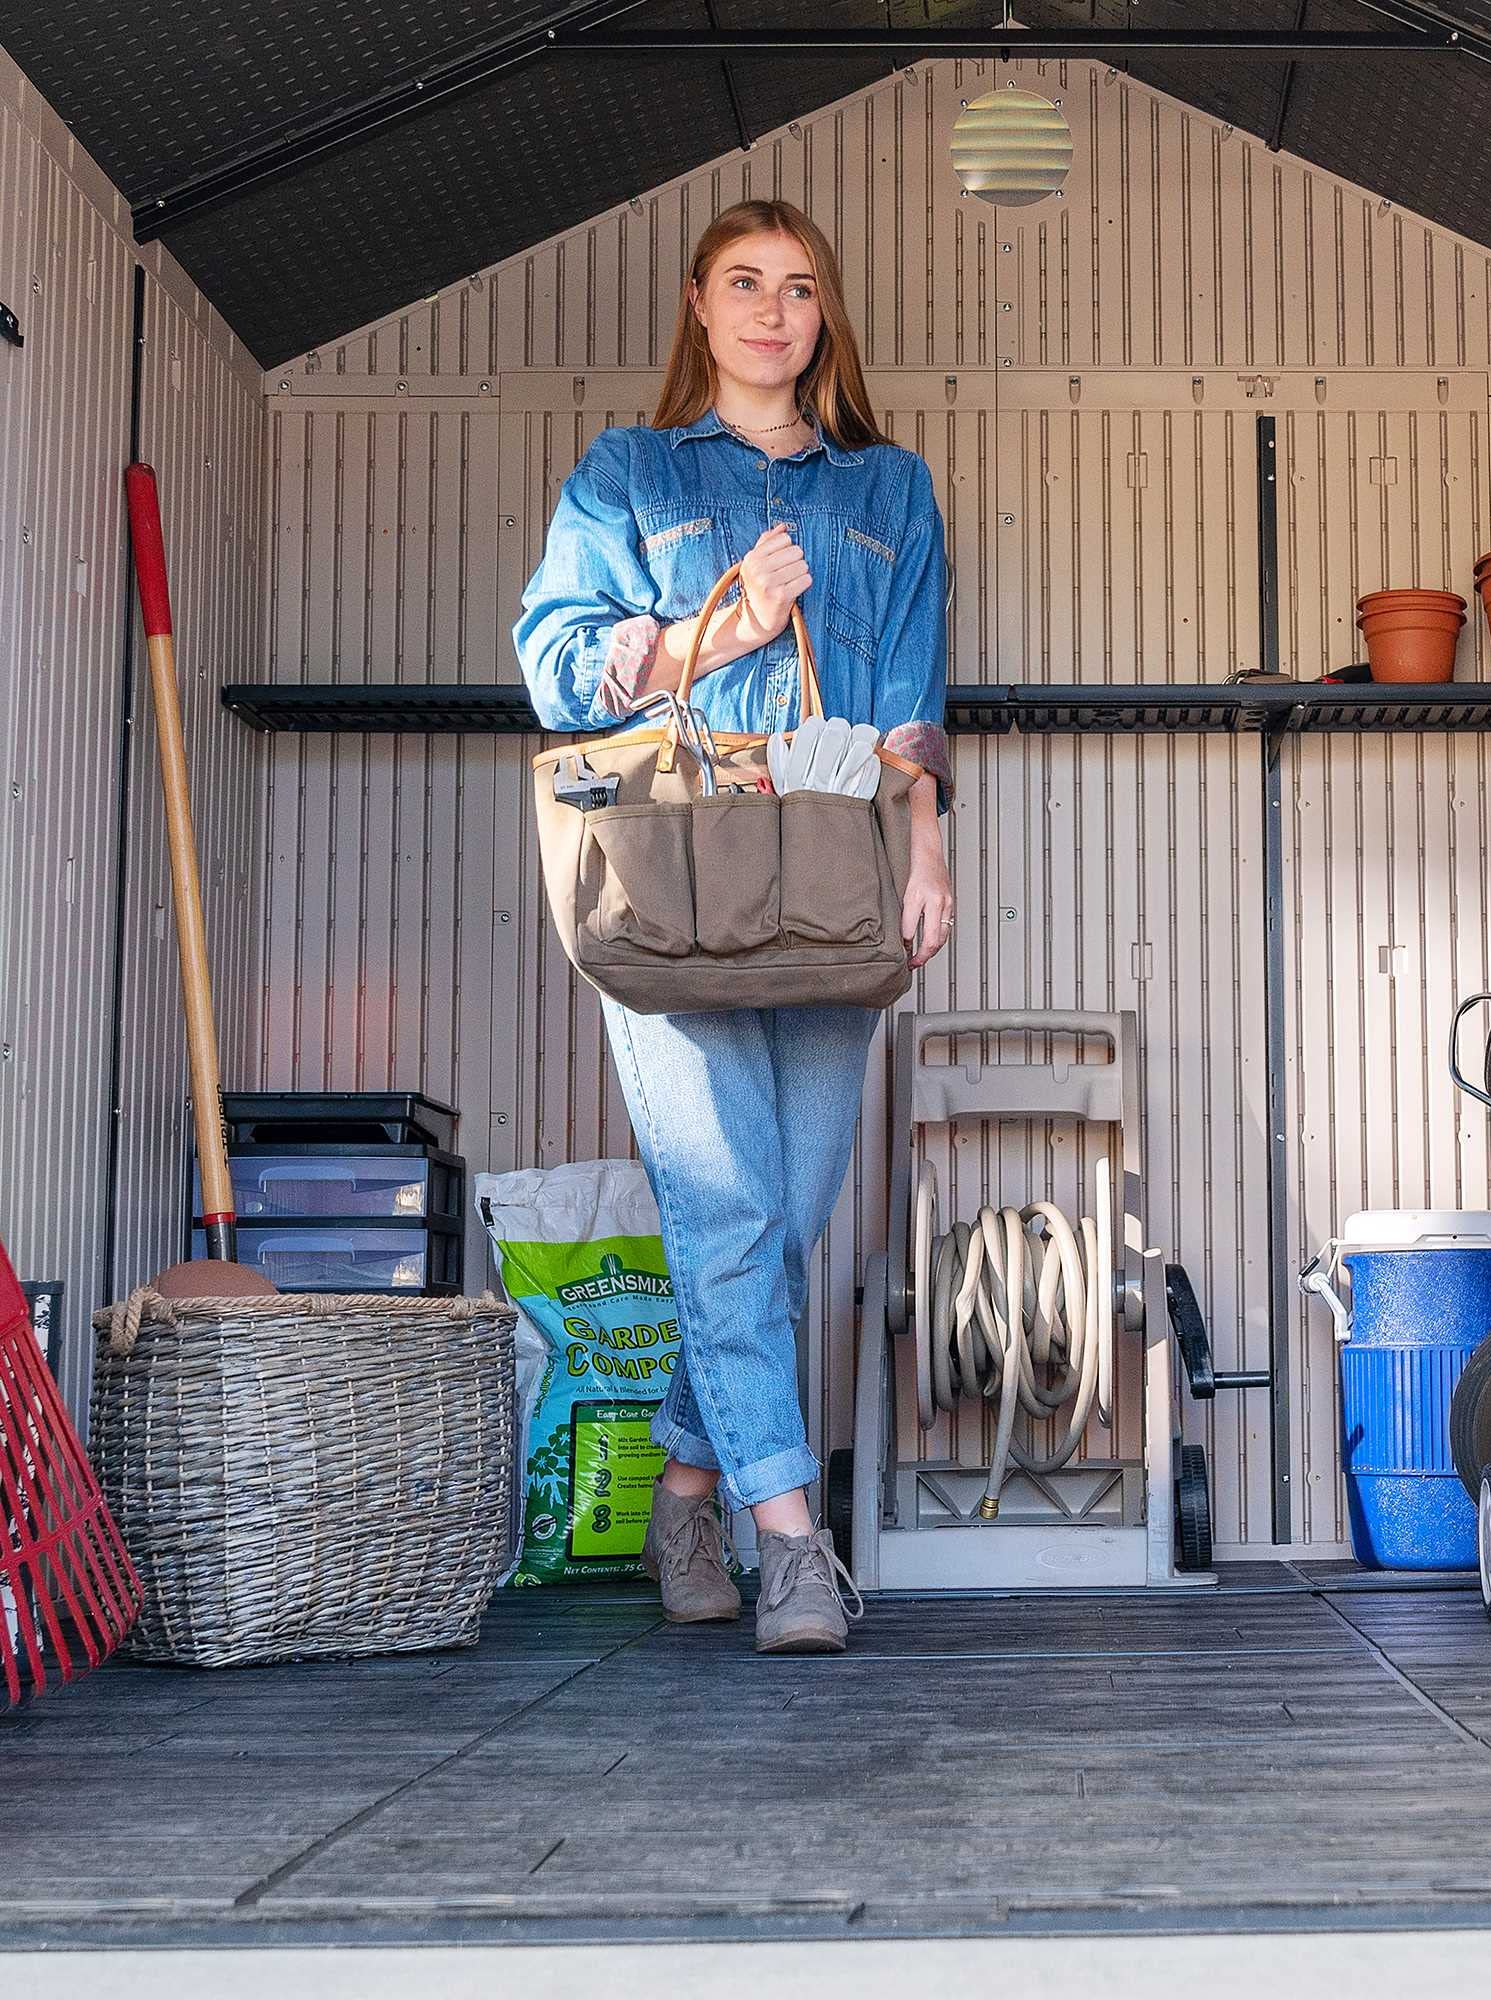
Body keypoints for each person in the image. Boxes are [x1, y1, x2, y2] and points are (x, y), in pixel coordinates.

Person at [514, 199, 954, 1654]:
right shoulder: (630, 474)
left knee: (786, 1221)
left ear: (825, 316)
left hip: (832, 886)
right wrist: (722, 632)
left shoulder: (892, 491)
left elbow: (907, 707)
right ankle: (791, 1542)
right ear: (699, 309)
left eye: (802, 287)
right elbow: (561, 674)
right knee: (729, 1217)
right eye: (745, 284)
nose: (775, 311)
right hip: (674, 892)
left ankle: (686, 1486)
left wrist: (928, 853)